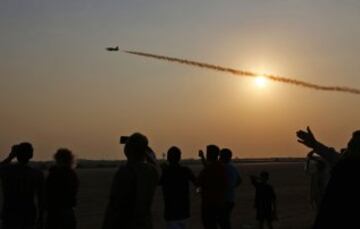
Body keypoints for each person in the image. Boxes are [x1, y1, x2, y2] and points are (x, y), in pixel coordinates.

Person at [296, 127, 360, 228]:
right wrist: (314, 144)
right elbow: (331, 155)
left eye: (352, 147)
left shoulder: (347, 166)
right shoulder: (343, 164)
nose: (347, 151)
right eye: (349, 146)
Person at [102, 133, 160, 229]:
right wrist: (143, 148)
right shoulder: (152, 172)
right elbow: (154, 161)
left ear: (128, 150)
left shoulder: (125, 172)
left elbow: (114, 205)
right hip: (144, 224)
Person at [0, 142, 44, 229]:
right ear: (31, 155)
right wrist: (41, 217)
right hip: (28, 214)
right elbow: (41, 198)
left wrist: (10, 156)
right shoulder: (36, 174)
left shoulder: (7, 171)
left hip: (10, 214)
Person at [159, 146, 197, 229]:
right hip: (184, 212)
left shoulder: (167, 172)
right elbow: (197, 183)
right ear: (179, 157)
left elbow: (158, 182)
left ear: (168, 158)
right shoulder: (185, 170)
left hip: (171, 213)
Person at [45, 148, 78, 229]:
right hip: (68, 211)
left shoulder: (54, 174)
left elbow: (47, 192)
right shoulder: (72, 175)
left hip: (55, 212)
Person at [197, 145, 227, 229]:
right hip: (219, 202)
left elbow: (198, 182)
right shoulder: (221, 167)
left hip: (208, 203)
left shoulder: (208, 170)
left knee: (209, 224)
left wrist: (199, 191)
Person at [219, 148, 242, 229]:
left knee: (223, 221)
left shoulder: (225, 167)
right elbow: (239, 180)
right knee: (224, 220)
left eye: (220, 156)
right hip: (230, 199)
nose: (219, 158)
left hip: (225, 200)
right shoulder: (232, 167)